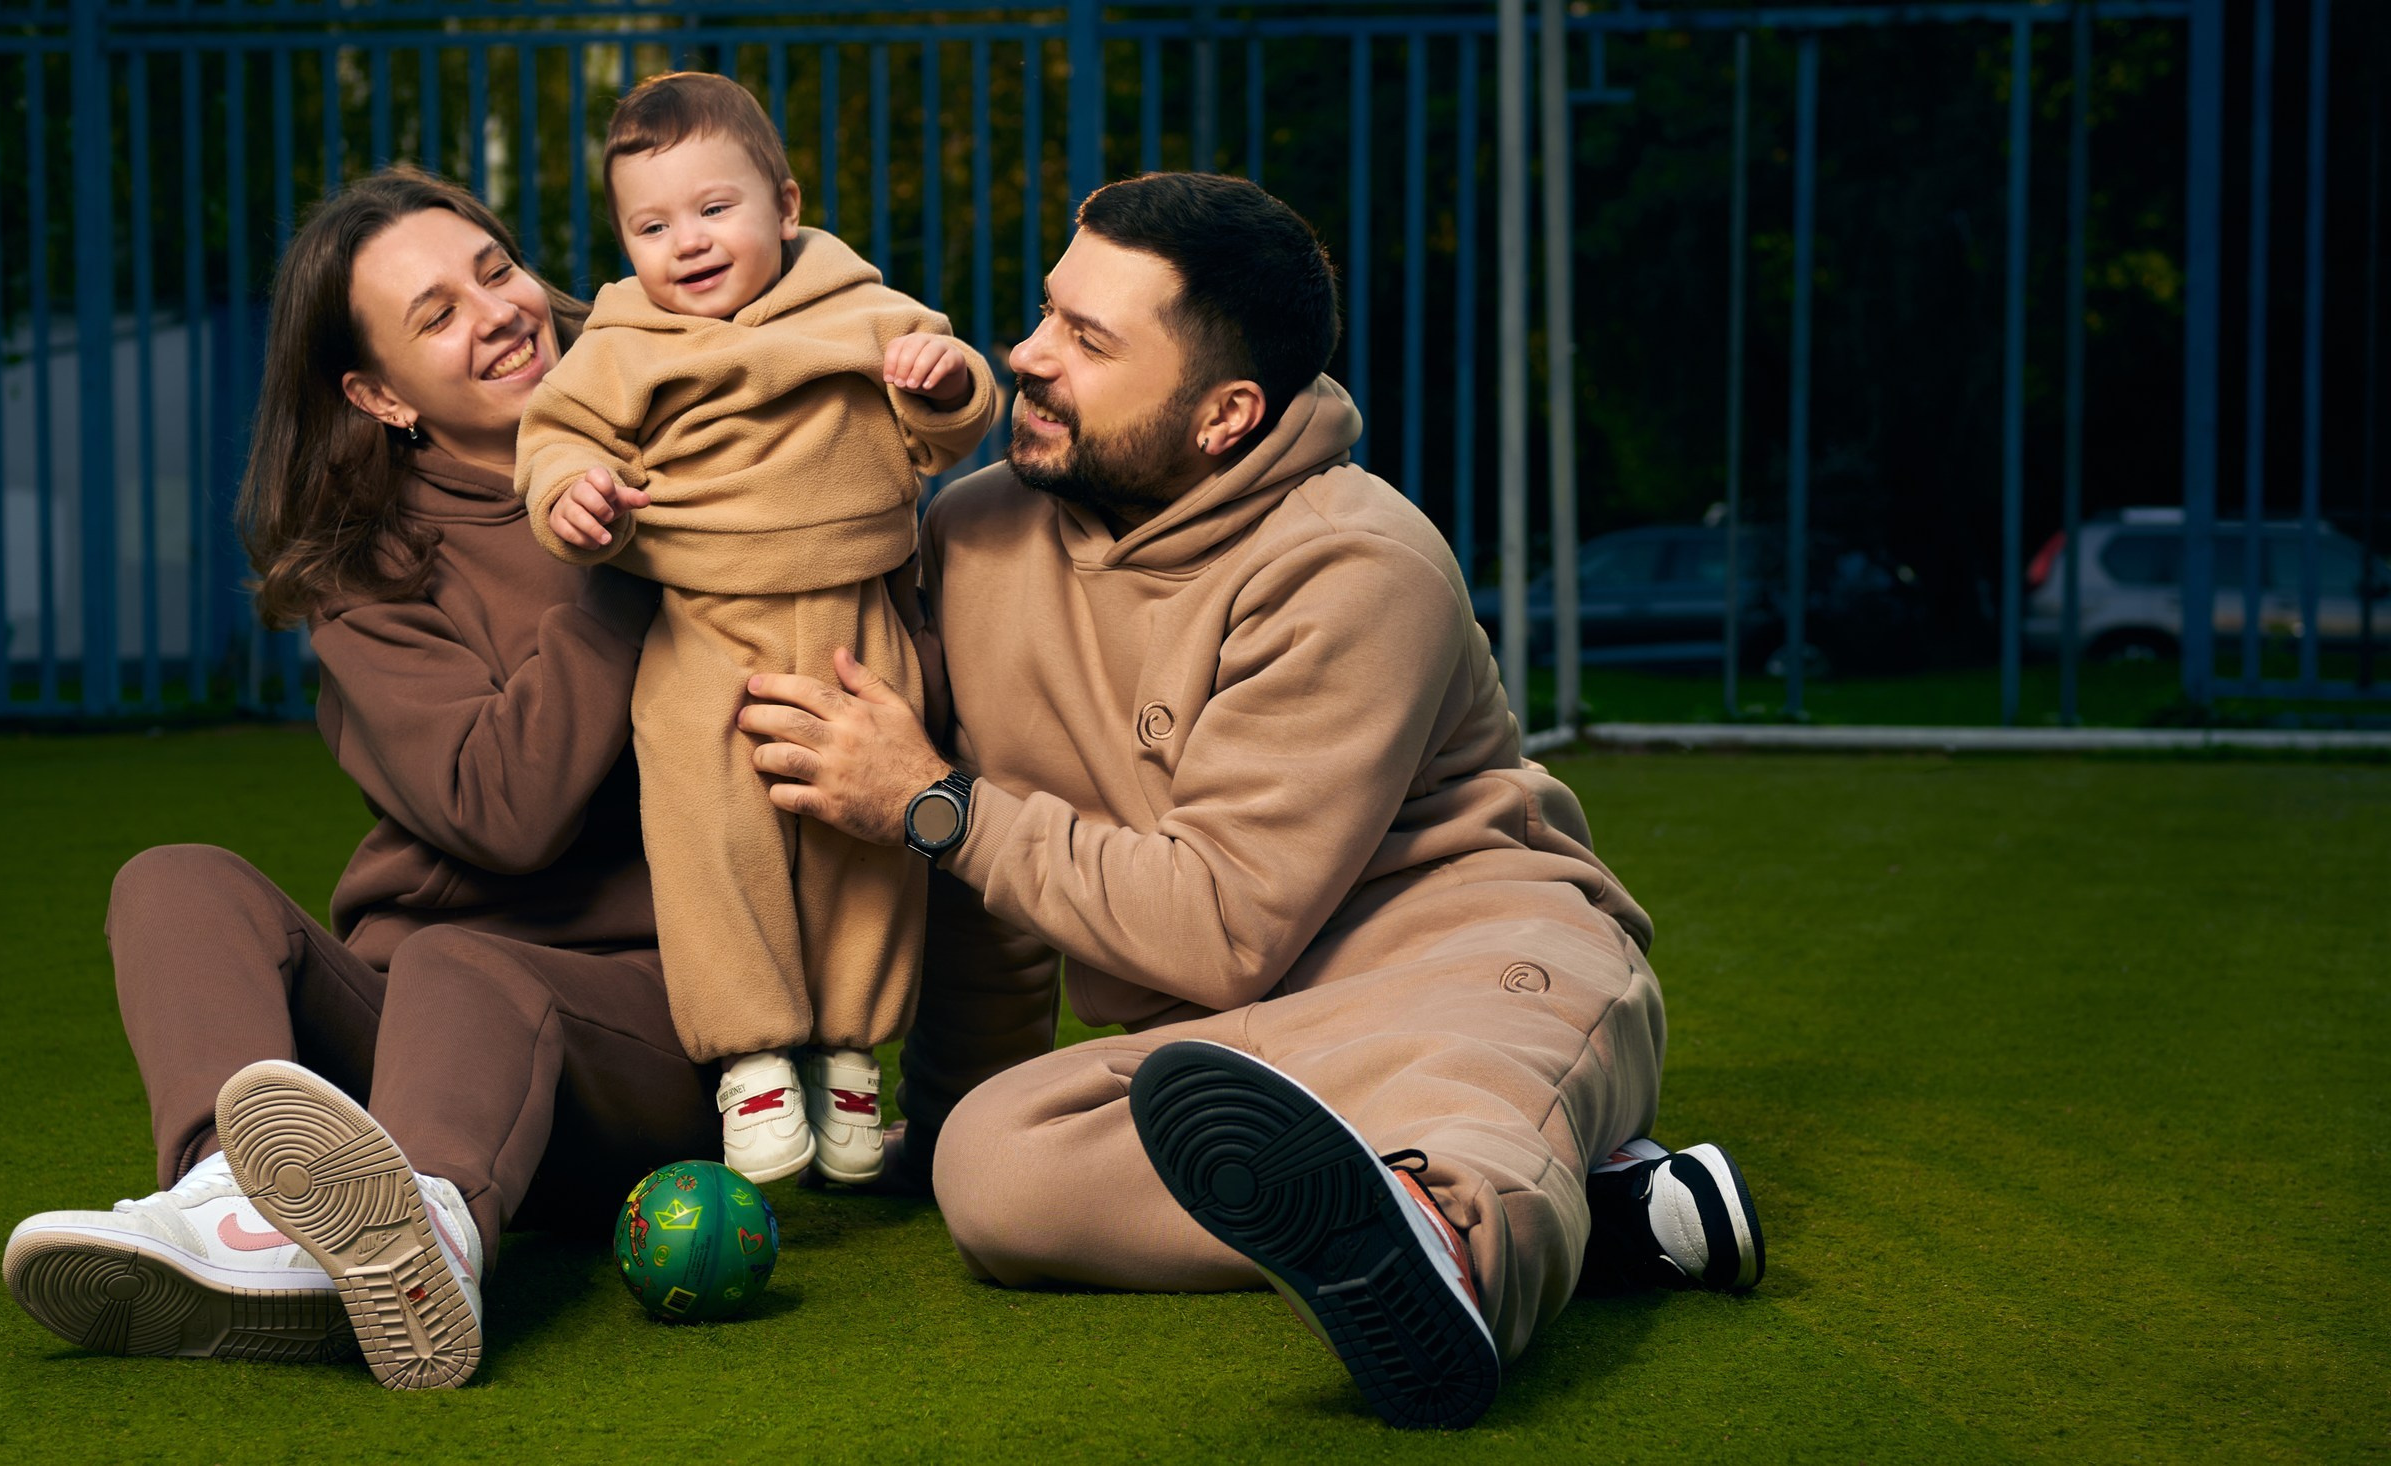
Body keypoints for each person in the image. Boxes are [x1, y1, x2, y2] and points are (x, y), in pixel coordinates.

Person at [739, 172, 1766, 1431]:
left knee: (1464, 1115)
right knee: (992, 1167)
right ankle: (1605, 1213)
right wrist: (948, 1099)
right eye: (1048, 313)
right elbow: (998, 901)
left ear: (1224, 413)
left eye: (1087, 341)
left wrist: (930, 801)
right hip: (1237, 1045)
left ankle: (1461, 1250)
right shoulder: (978, 530)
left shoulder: (1357, 561)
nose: (1026, 358)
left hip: (1469, 959)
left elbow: (1216, 924)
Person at [1, 166, 714, 1392]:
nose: (495, 311)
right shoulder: (368, 568)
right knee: (175, 880)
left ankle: (425, 1242)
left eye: (494, 271)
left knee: (463, 954)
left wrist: (635, 540)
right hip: (413, 1037)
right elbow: (500, 806)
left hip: (650, 1034)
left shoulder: (691, 447)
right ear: (378, 395)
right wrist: (618, 575)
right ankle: (234, 1202)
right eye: (434, 314)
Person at [519, 72, 1001, 1188]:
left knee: (867, 849)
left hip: (854, 625)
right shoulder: (620, 343)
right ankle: (751, 1060)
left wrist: (941, 381)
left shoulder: (863, 311)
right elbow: (551, 442)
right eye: (651, 224)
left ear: (785, 206)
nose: (684, 242)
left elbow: (960, 411)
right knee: (713, 844)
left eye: (713, 209)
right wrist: (573, 495)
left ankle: (848, 1053)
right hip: (706, 639)